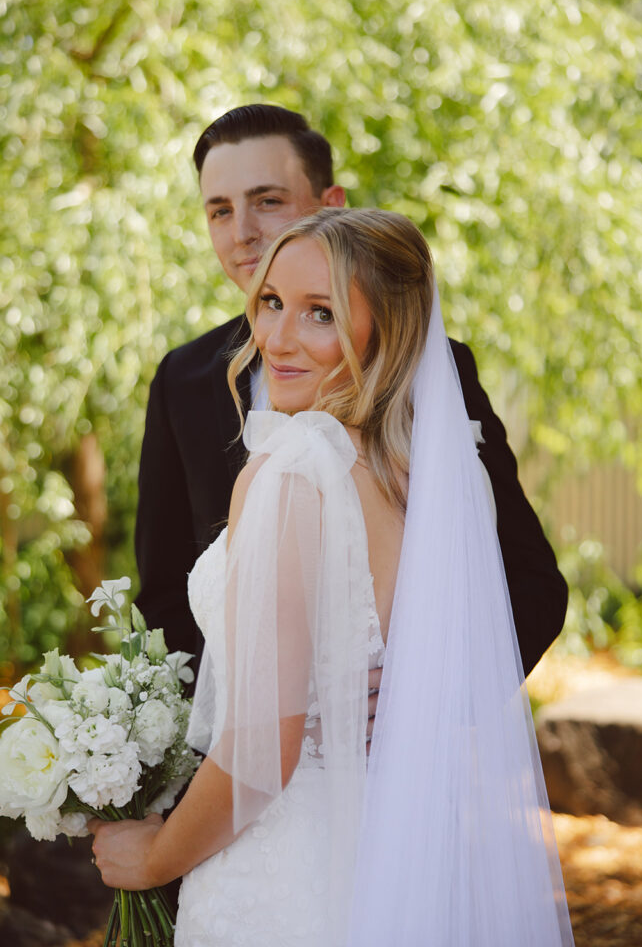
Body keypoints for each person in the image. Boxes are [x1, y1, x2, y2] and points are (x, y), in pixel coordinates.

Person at [91, 208, 574, 945]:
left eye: (319, 314)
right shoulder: (437, 478)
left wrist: (154, 855)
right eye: (271, 303)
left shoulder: (290, 473)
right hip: (401, 857)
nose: (277, 339)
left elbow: (261, 755)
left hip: (283, 881)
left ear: (387, 331)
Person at [135, 104, 567, 683]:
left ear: (331, 206)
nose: (243, 233)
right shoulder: (181, 381)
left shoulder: (434, 369)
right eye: (220, 210)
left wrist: (421, 702)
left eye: (267, 201)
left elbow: (530, 580)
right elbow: (164, 593)